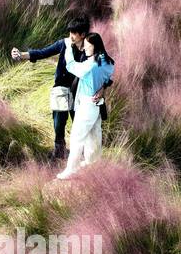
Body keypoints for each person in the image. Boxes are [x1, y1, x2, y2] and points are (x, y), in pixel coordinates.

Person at [11, 17, 112, 161]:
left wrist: (102, 89)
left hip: (81, 92)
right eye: (70, 31)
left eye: (74, 32)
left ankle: (84, 155)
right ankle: (59, 149)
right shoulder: (64, 44)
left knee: (79, 123)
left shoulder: (91, 49)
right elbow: (43, 53)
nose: (70, 35)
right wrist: (21, 55)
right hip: (61, 88)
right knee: (59, 120)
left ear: (82, 35)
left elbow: (105, 72)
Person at [55, 32, 114, 180]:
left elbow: (71, 66)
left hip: (87, 103)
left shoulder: (91, 64)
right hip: (97, 103)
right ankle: (92, 163)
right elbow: (108, 77)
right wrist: (102, 87)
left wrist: (68, 47)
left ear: (95, 46)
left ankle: (71, 169)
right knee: (94, 134)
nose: (85, 48)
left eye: (88, 45)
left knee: (77, 136)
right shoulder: (106, 61)